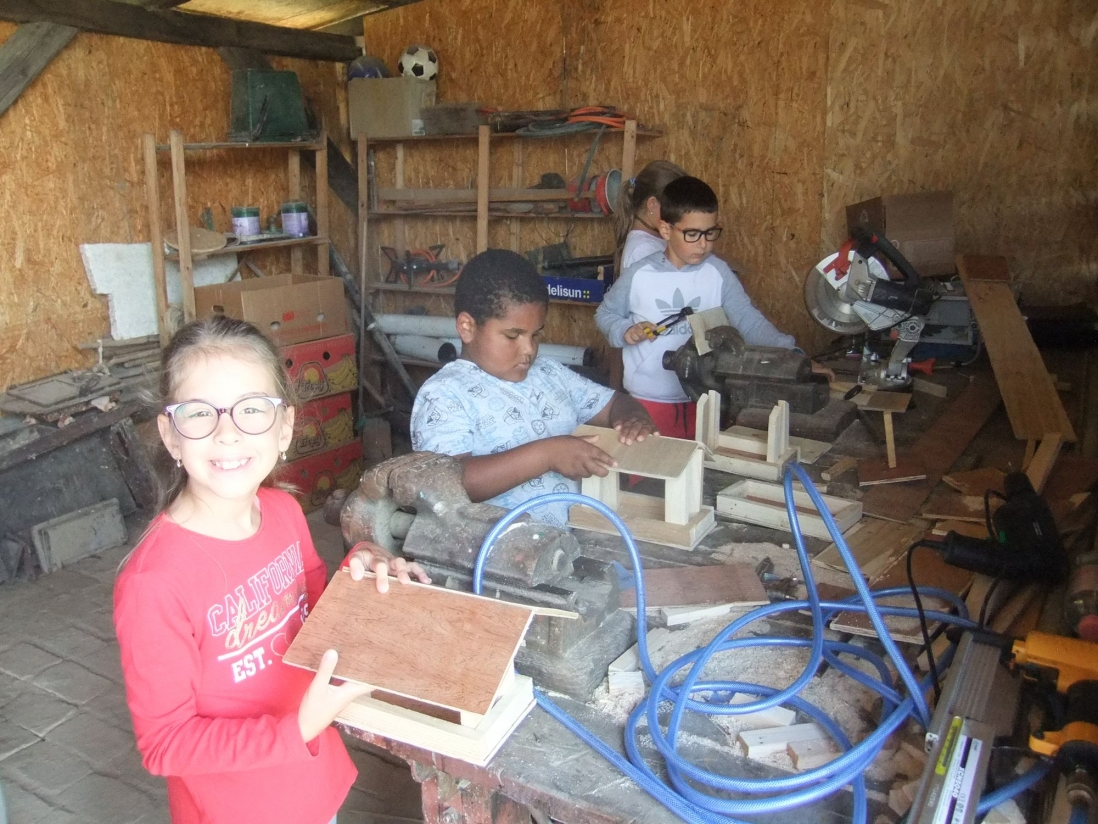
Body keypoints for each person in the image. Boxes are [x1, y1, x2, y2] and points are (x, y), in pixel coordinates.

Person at [114, 315, 428, 824]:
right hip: (239, 809)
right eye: (199, 413)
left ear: (284, 427)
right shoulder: (153, 583)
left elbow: (313, 609)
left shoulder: (282, 511)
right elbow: (165, 744)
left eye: (252, 409)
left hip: (312, 782)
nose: (227, 434)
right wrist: (297, 727)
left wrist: (361, 566)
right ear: (171, 436)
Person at [411, 249, 657, 528]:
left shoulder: (549, 373)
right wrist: (547, 455)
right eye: (513, 335)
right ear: (467, 327)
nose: (529, 349)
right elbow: (446, 483)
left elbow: (614, 404)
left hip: (573, 541)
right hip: (497, 549)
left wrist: (632, 417)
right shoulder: (444, 393)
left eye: (536, 334)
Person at [596, 175, 805, 440]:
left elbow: (748, 320)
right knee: (652, 465)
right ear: (665, 230)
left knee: (701, 464)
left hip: (705, 402)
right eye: (692, 234)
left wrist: (792, 353)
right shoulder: (639, 274)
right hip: (647, 403)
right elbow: (605, 314)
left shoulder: (717, 272)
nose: (703, 244)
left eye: (710, 233)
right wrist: (625, 330)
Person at [614, 159, 687, 271]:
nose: (680, 214)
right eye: (674, 207)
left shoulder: (657, 239)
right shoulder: (642, 251)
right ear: (652, 204)